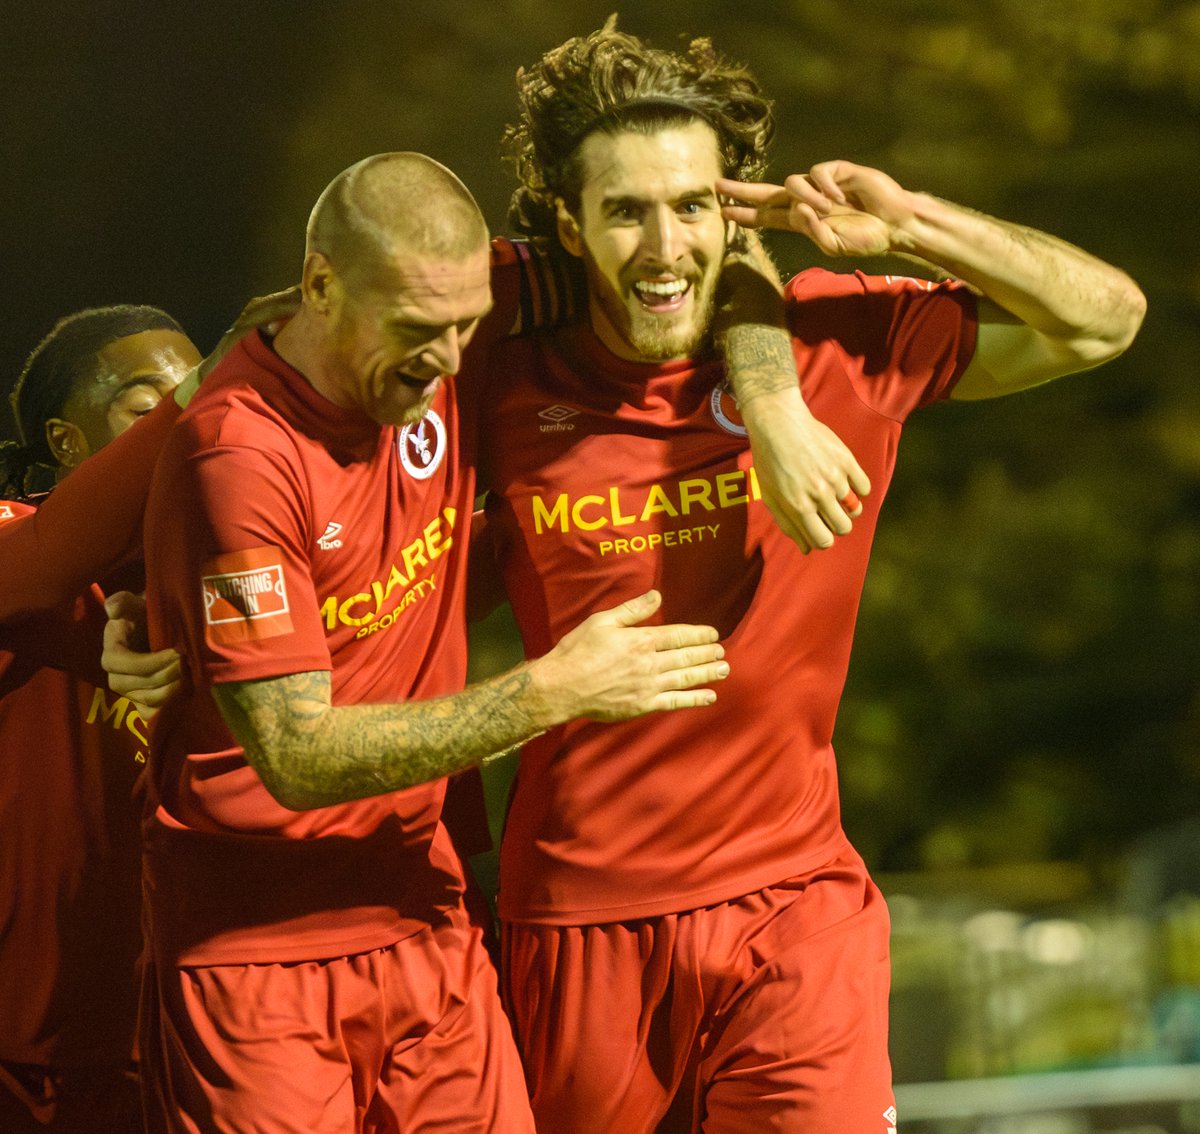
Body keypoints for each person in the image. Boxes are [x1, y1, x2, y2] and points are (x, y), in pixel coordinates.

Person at [459, 21, 1147, 1132]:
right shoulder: (499, 373)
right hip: (580, 916)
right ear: (566, 223)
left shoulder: (838, 340)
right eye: (625, 210)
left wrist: (910, 224)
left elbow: (1104, 321)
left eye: (692, 205)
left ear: (734, 210)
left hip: (795, 906)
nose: (664, 243)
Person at [137, 151, 731, 1134]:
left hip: (425, 917)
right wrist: (546, 693)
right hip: (257, 957)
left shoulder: (437, 360)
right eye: (420, 329)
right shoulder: (237, 453)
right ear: (320, 285)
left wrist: (778, 399)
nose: (452, 361)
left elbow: (693, 257)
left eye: (466, 327)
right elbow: (293, 754)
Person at [0, 305, 201, 1133]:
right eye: (147, 400)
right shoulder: (15, 539)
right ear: (67, 441)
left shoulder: (234, 556)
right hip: (31, 1045)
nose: (188, 412)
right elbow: (48, 576)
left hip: (195, 1018)